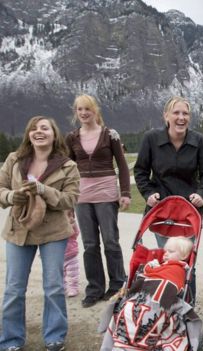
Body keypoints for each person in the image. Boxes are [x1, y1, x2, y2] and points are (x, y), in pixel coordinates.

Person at [0, 116, 80, 351]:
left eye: (44, 128)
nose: (39, 131)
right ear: (28, 135)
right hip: (19, 231)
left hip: (53, 232)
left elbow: (71, 199)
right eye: (33, 128)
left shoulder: (68, 166)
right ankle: (11, 339)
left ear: (54, 134)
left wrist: (44, 190)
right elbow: (1, 188)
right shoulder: (14, 160)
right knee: (14, 288)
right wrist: (11, 197)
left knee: (53, 286)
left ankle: (54, 337)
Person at [134, 96, 203, 300]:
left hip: (189, 213)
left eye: (185, 113)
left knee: (187, 263)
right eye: (176, 113)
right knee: (167, 260)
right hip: (162, 212)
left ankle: (187, 309)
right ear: (166, 116)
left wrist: (202, 195)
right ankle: (167, 307)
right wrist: (148, 193)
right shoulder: (151, 139)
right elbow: (141, 171)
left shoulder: (199, 141)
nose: (181, 117)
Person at [65, 94, 131, 308]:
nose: (84, 113)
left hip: (106, 194)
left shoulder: (109, 135)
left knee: (110, 241)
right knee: (90, 244)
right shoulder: (72, 138)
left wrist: (125, 192)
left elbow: (122, 165)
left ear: (96, 111)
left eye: (88, 109)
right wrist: (68, 198)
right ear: (76, 113)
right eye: (80, 109)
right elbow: (68, 169)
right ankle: (94, 289)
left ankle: (117, 285)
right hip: (82, 196)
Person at [101, 236, 200, 351]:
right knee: (127, 309)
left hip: (159, 302)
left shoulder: (178, 269)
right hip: (143, 297)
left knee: (145, 314)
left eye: (171, 252)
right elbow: (148, 275)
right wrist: (151, 268)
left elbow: (163, 279)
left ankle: (135, 338)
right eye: (165, 251)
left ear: (184, 256)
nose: (166, 254)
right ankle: (131, 336)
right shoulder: (163, 265)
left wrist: (149, 267)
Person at [64, 210, 80, 297]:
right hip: (59, 257)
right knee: (60, 275)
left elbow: (76, 233)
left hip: (71, 256)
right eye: (67, 215)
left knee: (73, 274)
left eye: (71, 215)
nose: (69, 218)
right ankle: (63, 288)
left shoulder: (72, 227)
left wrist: (73, 225)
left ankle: (73, 288)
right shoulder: (57, 228)